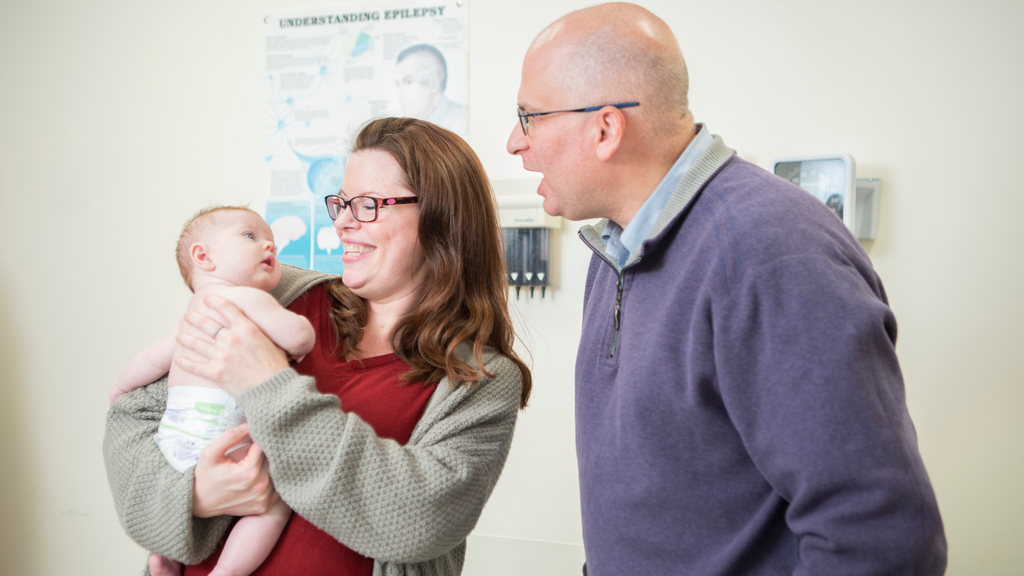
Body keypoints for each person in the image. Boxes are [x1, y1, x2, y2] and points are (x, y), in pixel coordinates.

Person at [506, 3, 946, 575]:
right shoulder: (617, 246)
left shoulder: (769, 255)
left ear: (606, 128)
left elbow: (879, 536)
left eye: (529, 116)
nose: (515, 142)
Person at [105, 117, 531, 576]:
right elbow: (136, 414)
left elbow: (421, 519)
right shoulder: (277, 297)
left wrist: (268, 381)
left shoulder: (479, 378)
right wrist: (192, 496)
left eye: (368, 204)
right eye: (342, 203)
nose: (344, 223)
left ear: (443, 217)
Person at [109, 206, 314, 576]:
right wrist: (299, 343)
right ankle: (228, 571)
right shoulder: (245, 299)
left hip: (172, 442)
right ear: (203, 256)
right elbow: (299, 334)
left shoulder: (191, 315)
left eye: (272, 242)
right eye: (250, 236)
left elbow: (155, 357)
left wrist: (121, 387)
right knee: (275, 501)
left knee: (187, 507)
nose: (268, 243)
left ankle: (167, 557)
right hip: (225, 437)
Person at [395, 44, 468, 138]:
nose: (399, 94)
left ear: (433, 84)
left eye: (408, 81)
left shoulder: (465, 121)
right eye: (397, 84)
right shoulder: (410, 128)